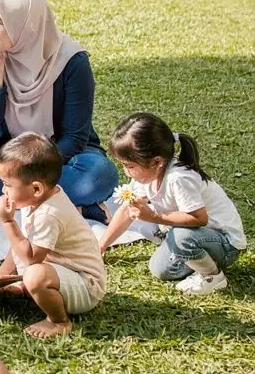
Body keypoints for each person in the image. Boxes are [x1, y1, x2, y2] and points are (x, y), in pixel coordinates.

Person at [0, 0, 117, 221]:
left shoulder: (72, 62)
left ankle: (21, 197)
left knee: (97, 176)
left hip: (62, 154)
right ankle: (69, 207)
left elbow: (75, 138)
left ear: (25, 26)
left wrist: (25, 168)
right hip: (7, 149)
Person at [0, 133, 107, 338]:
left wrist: (7, 222)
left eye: (8, 185)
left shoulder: (49, 214)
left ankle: (59, 322)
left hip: (86, 287)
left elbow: (31, 257)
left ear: (36, 188)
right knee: (29, 270)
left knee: (35, 275)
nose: (3, 189)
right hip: (62, 274)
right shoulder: (38, 199)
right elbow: (22, 242)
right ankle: (21, 285)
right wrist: (3, 275)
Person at [101, 113, 246, 294]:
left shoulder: (179, 178)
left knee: (181, 237)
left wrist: (154, 216)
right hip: (194, 236)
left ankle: (212, 277)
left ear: (157, 162)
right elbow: (126, 211)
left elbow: (199, 218)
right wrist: (101, 246)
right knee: (160, 269)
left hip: (225, 243)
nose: (126, 172)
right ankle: (199, 258)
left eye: (129, 166)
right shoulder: (146, 177)